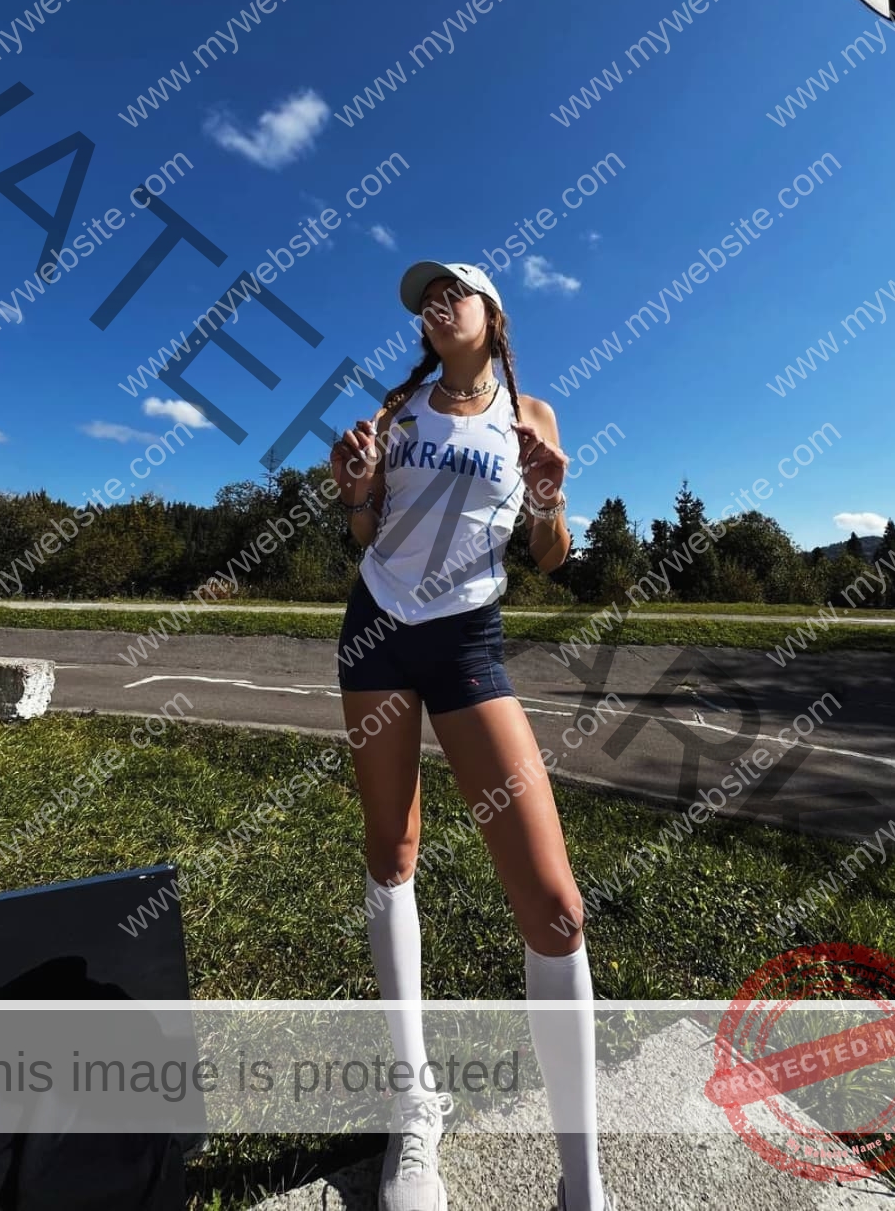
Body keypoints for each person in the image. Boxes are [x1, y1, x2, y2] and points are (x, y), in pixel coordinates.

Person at [329, 260, 615, 1211]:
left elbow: (549, 555)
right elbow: (368, 533)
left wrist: (549, 498)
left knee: (556, 909)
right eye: (424, 298)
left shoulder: (535, 416)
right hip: (376, 631)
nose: (436, 304)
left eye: (455, 290)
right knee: (393, 852)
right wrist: (357, 488)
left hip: (467, 644)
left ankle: (584, 1182)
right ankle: (416, 1112)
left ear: (495, 316)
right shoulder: (397, 409)